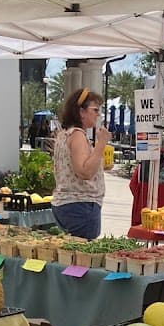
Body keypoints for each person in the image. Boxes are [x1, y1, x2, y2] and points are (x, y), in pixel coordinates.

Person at [51, 88, 112, 239]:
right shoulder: (78, 135)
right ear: (81, 112)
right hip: (81, 205)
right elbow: (84, 172)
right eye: (95, 110)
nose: (98, 114)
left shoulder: (64, 135)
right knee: (83, 251)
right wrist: (101, 144)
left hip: (67, 203)